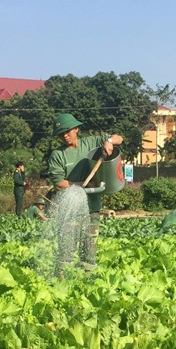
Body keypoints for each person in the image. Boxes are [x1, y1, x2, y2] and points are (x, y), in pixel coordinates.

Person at [48, 113, 122, 274]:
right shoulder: (58, 154)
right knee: (66, 247)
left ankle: (87, 280)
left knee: (89, 247)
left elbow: (119, 138)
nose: (65, 136)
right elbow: (59, 183)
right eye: (61, 134)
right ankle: (61, 279)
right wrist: (82, 185)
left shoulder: (90, 143)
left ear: (76, 129)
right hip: (69, 208)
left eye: (68, 131)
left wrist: (109, 142)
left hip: (92, 206)